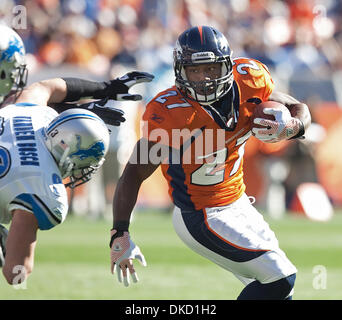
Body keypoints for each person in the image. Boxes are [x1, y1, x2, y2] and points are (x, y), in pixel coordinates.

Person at [109, 26, 311, 299]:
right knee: (281, 277)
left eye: (211, 69)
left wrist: (293, 126)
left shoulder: (250, 81)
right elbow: (134, 173)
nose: (203, 78)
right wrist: (120, 232)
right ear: (181, 71)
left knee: (279, 290)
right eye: (195, 70)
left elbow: (299, 109)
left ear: (226, 66)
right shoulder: (170, 112)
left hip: (238, 202)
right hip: (201, 215)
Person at [0, 25, 154, 283]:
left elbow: (48, 86)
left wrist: (104, 88)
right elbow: (16, 273)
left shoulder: (28, 107)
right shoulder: (42, 186)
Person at [0, 105, 109, 285]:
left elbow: (44, 87)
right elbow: (15, 272)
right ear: (67, 153)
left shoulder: (34, 114)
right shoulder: (44, 189)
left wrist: (102, 88)